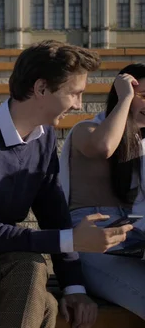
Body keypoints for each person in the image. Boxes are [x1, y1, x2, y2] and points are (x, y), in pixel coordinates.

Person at [0, 40, 133, 328]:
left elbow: (54, 214)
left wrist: (74, 288)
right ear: (40, 89)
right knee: (41, 292)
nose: (79, 105)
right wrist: (71, 239)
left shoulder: (45, 137)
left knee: (36, 281)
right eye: (74, 93)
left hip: (10, 251)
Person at [59, 63, 145, 320]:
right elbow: (106, 146)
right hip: (91, 241)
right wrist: (126, 99)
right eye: (143, 96)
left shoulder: (142, 144)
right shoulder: (86, 130)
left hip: (133, 238)